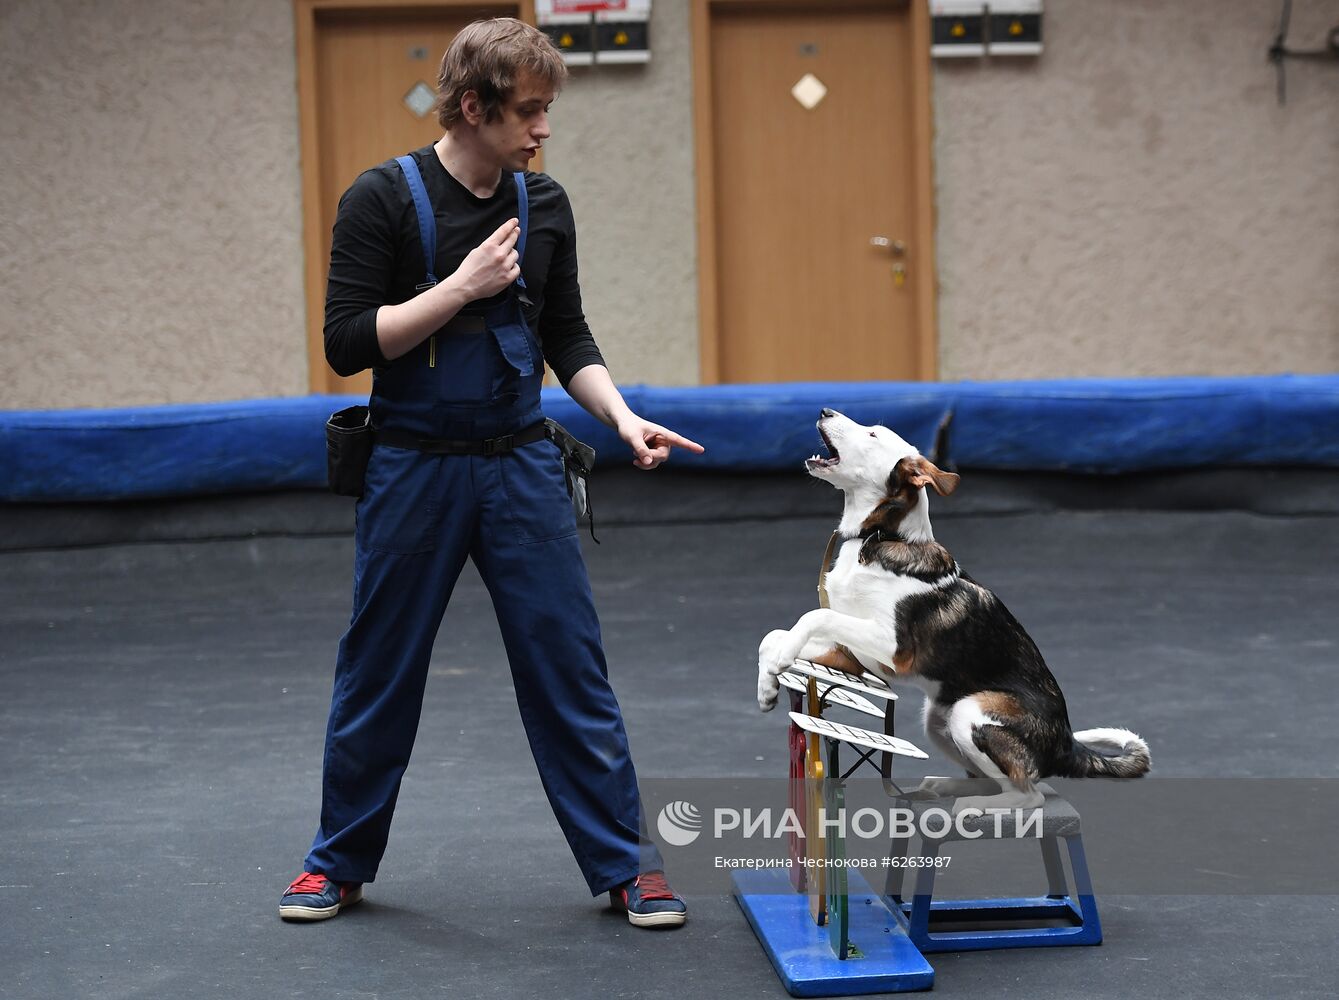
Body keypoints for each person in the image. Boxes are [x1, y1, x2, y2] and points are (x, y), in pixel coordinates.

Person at [279, 17, 702, 930]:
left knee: (569, 669)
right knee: (378, 670)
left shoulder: (543, 205)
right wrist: (459, 288)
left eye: (546, 112)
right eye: (528, 113)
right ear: (472, 107)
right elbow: (347, 343)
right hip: (411, 468)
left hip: (518, 465)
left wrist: (622, 417)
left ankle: (628, 866)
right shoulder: (380, 200)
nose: (542, 130)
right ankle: (335, 864)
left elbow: (566, 335)